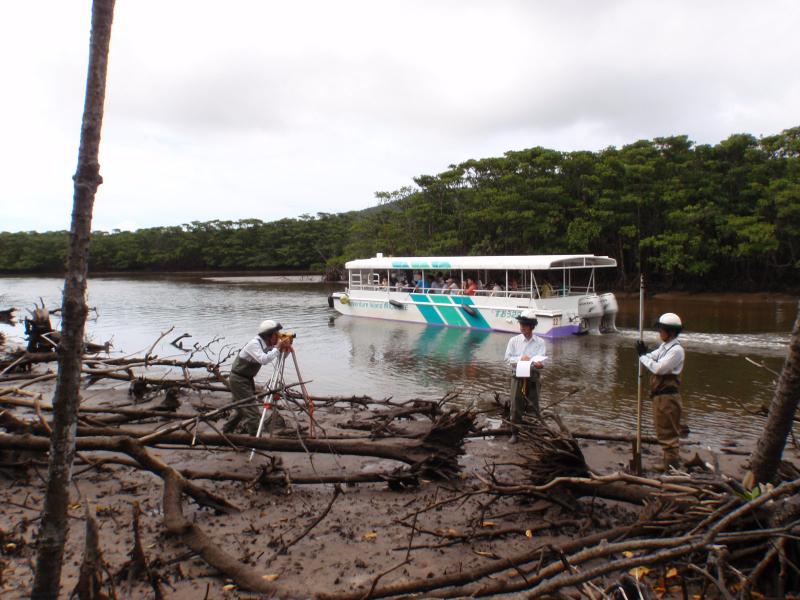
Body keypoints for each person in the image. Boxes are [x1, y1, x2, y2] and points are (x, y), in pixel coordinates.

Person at [224, 319, 293, 435]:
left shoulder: (267, 344)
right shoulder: (254, 344)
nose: (278, 337)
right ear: (269, 335)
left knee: (240, 409)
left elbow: (281, 357)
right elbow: (264, 359)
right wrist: (277, 347)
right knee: (252, 411)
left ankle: (226, 432)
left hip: (246, 379)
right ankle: (256, 439)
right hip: (239, 379)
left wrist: (285, 348)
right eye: (276, 334)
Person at [636, 312, 685, 471]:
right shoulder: (665, 347)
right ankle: (668, 466)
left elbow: (659, 369)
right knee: (662, 432)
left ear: (670, 332)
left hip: (668, 398)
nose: (659, 333)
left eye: (662, 330)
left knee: (668, 436)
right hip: (660, 397)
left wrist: (643, 356)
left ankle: (671, 470)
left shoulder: (676, 350)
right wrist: (644, 354)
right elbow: (652, 357)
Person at [504, 309, 546, 442]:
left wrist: (539, 365)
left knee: (534, 404)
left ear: (532, 327)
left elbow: (542, 360)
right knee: (516, 405)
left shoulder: (540, 342)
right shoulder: (513, 341)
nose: (522, 327)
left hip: (533, 376)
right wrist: (521, 359)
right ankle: (515, 433)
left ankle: (533, 431)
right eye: (521, 324)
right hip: (517, 376)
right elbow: (507, 359)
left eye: (525, 325)